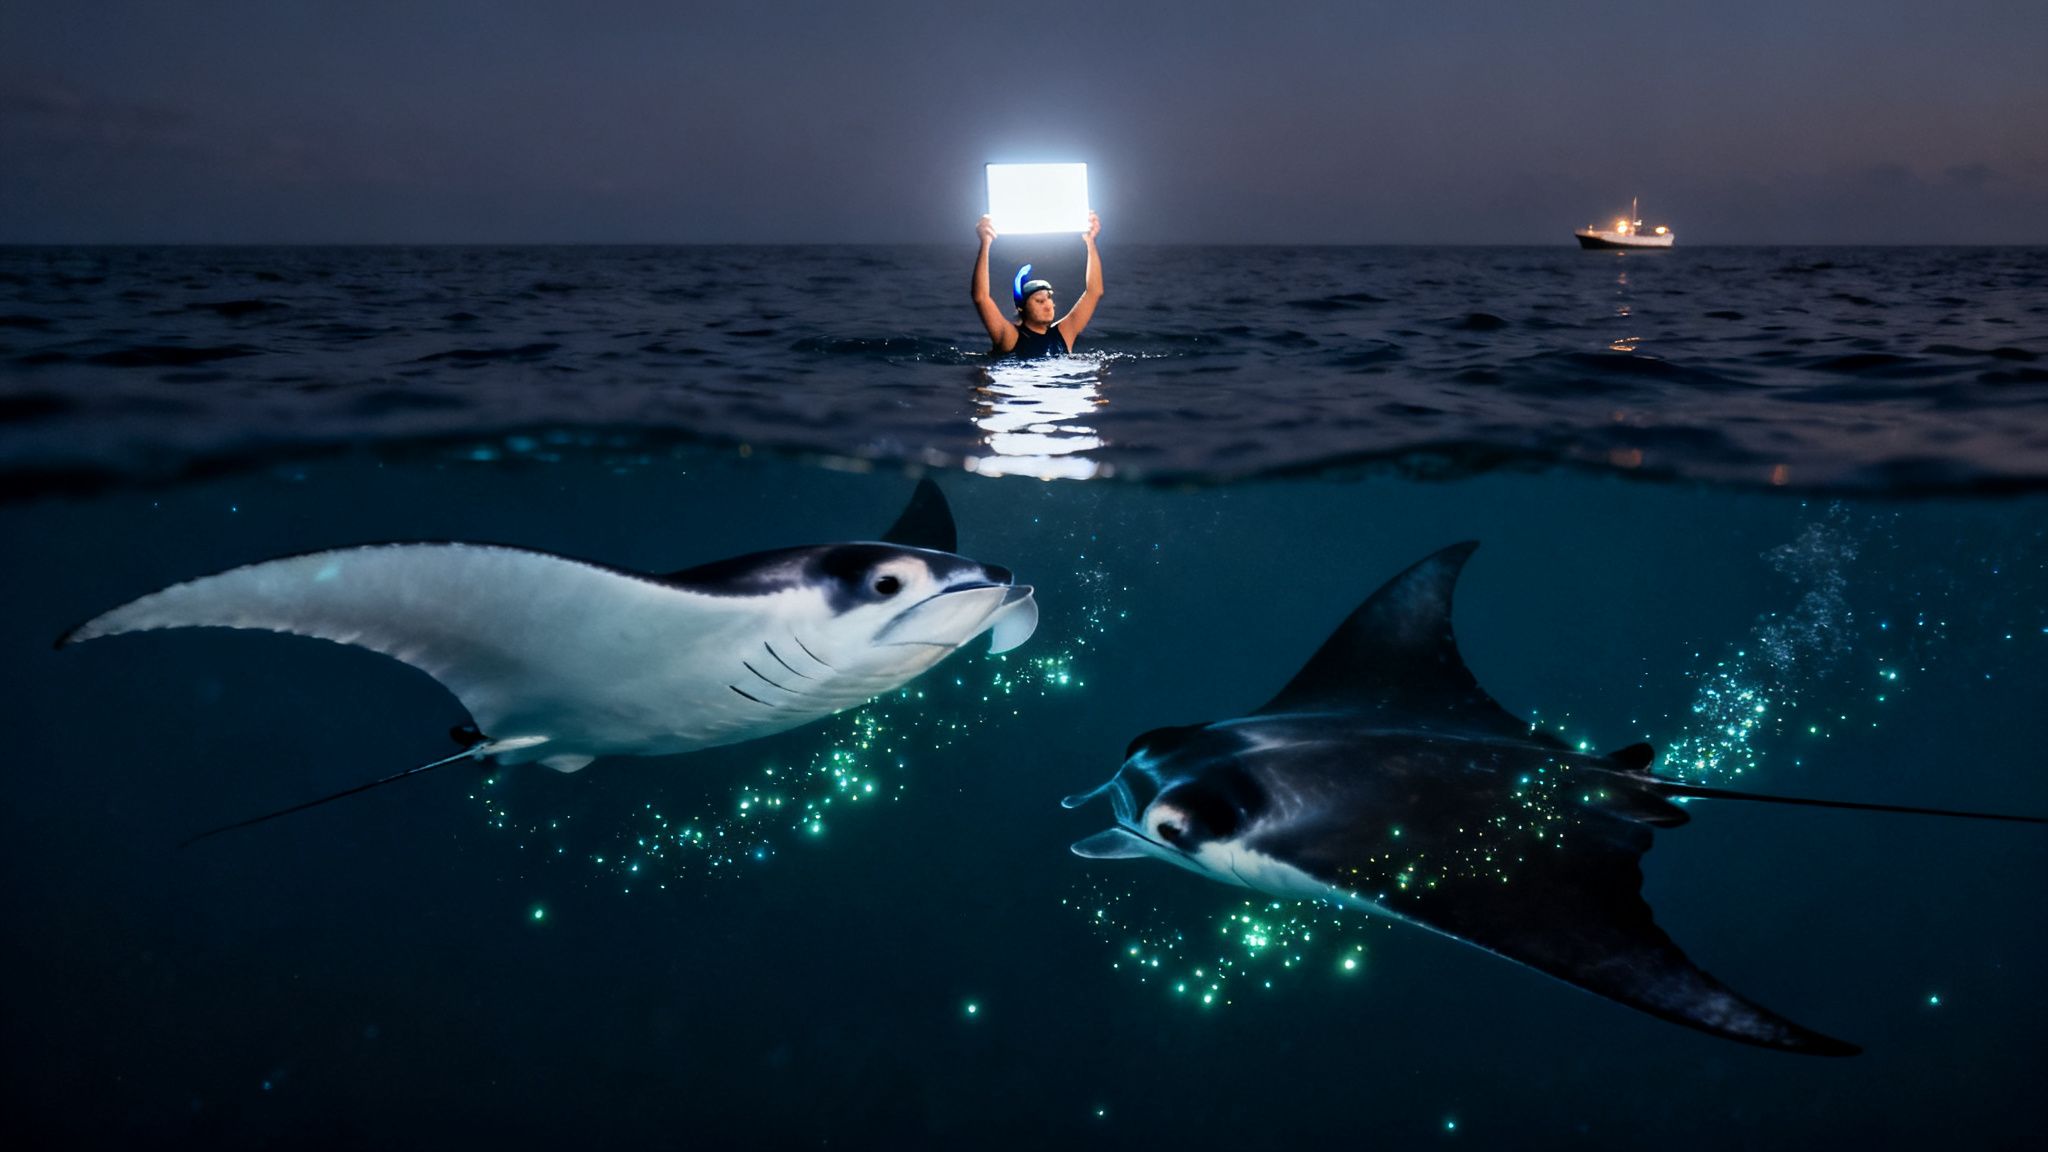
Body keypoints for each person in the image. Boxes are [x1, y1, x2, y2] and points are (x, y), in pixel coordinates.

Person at [970, 211, 1103, 358]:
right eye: (1039, 301)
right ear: (1022, 307)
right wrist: (985, 243)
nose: (1048, 305)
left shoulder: (1064, 334)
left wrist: (1090, 243)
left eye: (1049, 298)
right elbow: (981, 297)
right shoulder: (1010, 337)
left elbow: (1094, 292)